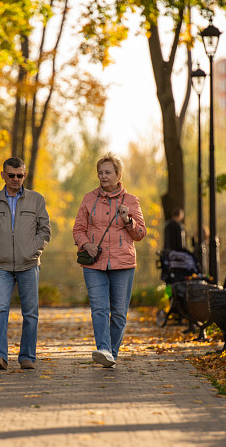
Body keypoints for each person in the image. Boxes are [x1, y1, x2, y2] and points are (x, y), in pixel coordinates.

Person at [0, 157, 51, 370]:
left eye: (19, 175)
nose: (15, 179)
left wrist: (33, 250)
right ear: (3, 175)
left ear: (24, 175)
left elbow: (45, 230)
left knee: (31, 312)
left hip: (29, 264)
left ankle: (27, 356)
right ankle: (0, 356)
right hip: (0, 265)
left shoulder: (37, 200)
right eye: (11, 175)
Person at [73, 154, 147, 368]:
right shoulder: (89, 199)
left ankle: (111, 354)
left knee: (119, 313)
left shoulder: (131, 201)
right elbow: (78, 230)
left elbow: (141, 233)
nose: (103, 176)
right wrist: (87, 244)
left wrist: (127, 220)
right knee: (99, 309)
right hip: (94, 264)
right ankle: (104, 349)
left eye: (108, 172)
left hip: (123, 264)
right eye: (100, 173)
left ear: (118, 175)